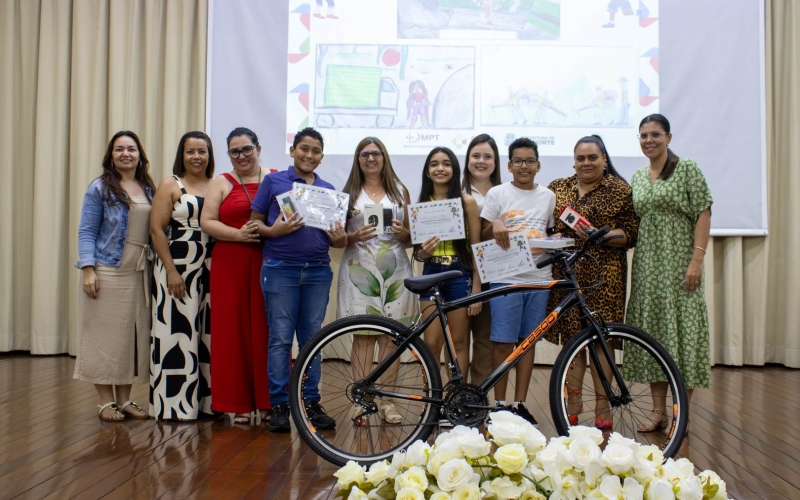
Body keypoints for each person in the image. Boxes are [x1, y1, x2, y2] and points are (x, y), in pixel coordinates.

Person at [250, 127, 347, 433]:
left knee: (312, 340)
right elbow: (254, 225)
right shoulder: (273, 181)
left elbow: (335, 241)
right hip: (280, 269)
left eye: (316, 150)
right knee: (280, 339)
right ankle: (280, 404)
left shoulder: (328, 190)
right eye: (304, 148)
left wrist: (341, 238)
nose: (309, 155)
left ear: (321, 156)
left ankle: (310, 402)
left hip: (318, 270)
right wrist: (273, 231)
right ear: (292, 150)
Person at [545, 135, 639, 429]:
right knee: (573, 340)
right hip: (568, 274)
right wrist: (555, 238)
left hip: (604, 273)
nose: (586, 163)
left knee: (601, 339)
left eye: (592, 158)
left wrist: (599, 235)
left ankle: (603, 404)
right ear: (574, 161)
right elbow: (545, 228)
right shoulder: (557, 188)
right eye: (581, 158)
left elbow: (631, 234)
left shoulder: (620, 190)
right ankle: (573, 400)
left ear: (604, 160)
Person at [626, 114, 712, 432]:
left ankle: (681, 413)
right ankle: (658, 412)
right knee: (653, 337)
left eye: (655, 134)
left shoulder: (686, 168)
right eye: (643, 135)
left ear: (668, 137)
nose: (649, 140)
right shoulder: (637, 176)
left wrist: (696, 261)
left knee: (682, 337)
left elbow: (703, 211)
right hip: (647, 268)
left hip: (679, 266)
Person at [74, 131, 156, 421]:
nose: (125, 154)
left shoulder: (148, 188)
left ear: (139, 155)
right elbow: (86, 232)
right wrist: (88, 269)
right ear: (111, 155)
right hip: (107, 269)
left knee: (129, 338)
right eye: (119, 149)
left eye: (131, 149)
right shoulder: (100, 188)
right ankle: (105, 402)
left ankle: (125, 400)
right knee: (103, 337)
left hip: (140, 271)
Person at [338, 137, 418, 424]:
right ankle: (361, 400)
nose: (370, 158)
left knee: (391, 339)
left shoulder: (400, 190)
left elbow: (412, 237)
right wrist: (351, 237)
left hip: (395, 272)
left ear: (384, 157)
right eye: (364, 154)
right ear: (358, 160)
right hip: (359, 271)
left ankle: (387, 401)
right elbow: (335, 240)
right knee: (362, 337)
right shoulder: (347, 193)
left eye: (376, 153)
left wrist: (403, 234)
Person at [480, 137, 555, 426]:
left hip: (539, 279)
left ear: (538, 165)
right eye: (518, 161)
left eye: (530, 161)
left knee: (528, 342)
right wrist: (495, 224)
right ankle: (499, 405)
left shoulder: (548, 196)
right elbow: (484, 232)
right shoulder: (498, 194)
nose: (524, 166)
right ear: (509, 165)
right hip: (505, 279)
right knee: (502, 342)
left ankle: (519, 404)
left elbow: (549, 232)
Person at [200, 127, 270, 425]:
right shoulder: (221, 182)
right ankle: (238, 403)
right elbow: (207, 221)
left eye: (247, 149)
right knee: (232, 333)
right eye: (234, 151)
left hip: (269, 262)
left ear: (259, 148)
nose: (241, 156)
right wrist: (238, 235)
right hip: (230, 261)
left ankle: (269, 403)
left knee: (267, 332)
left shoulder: (276, 177)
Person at [149, 131, 215, 420]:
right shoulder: (170, 184)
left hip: (211, 267)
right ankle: (174, 406)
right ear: (182, 155)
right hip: (177, 268)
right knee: (177, 334)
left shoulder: (216, 185)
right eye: (190, 151)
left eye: (202, 151)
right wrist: (172, 272)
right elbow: (155, 231)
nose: (196, 157)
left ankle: (207, 404)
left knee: (207, 336)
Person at [413, 146, 482, 418]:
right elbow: (418, 252)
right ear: (428, 171)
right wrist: (423, 253)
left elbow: (476, 247)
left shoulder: (467, 202)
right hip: (430, 273)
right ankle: (432, 402)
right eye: (434, 164)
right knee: (431, 343)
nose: (440, 168)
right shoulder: (421, 204)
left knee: (459, 343)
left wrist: (476, 287)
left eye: (446, 164)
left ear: (454, 169)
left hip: (459, 274)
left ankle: (457, 402)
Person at [461, 134, 503, 385]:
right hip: (461, 272)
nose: (481, 161)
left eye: (488, 156)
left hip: (495, 275)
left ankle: (475, 397)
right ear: (467, 160)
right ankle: (454, 395)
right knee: (458, 340)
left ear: (496, 162)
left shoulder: (506, 193)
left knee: (485, 340)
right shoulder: (456, 192)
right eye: (475, 155)